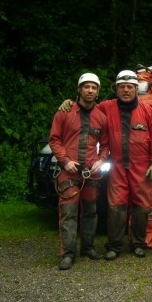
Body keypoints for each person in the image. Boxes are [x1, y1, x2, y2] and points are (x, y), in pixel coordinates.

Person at [57, 70, 152, 259]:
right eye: (122, 87)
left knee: (141, 206)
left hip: (141, 166)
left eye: (130, 87)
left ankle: (138, 243)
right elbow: (85, 106)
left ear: (136, 89)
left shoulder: (147, 111)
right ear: (116, 89)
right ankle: (114, 246)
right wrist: (68, 102)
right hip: (116, 166)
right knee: (116, 206)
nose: (125, 90)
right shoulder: (106, 107)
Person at [49, 73, 108, 270]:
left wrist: (101, 160)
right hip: (69, 171)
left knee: (91, 211)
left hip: (90, 173)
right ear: (79, 89)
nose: (90, 91)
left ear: (98, 92)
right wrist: (65, 161)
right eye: (86, 87)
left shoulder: (101, 117)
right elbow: (54, 140)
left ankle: (88, 247)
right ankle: (68, 253)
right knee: (68, 212)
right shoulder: (64, 113)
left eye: (94, 88)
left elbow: (106, 145)